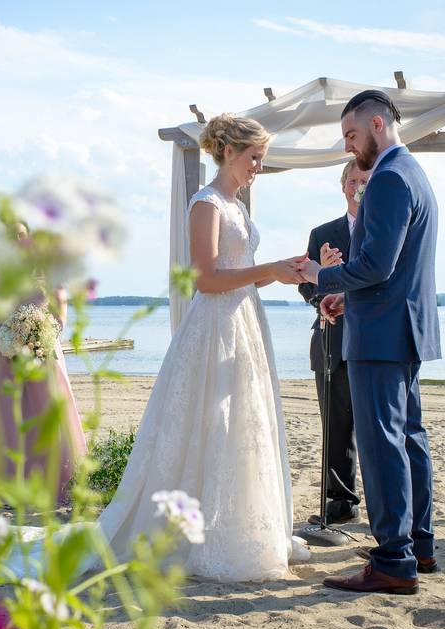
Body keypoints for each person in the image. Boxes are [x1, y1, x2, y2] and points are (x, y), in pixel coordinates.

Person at [96, 114, 309, 581]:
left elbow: (243, 268)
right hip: (214, 326)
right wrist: (267, 270)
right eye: (255, 157)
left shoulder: (237, 206)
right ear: (230, 151)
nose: (258, 166)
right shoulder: (206, 204)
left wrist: (288, 270)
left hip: (245, 323)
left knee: (243, 423)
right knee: (212, 421)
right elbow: (207, 279)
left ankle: (241, 527)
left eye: (262, 159)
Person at [300, 90, 441, 595]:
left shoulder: (386, 178)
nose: (347, 147)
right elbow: (395, 268)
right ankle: (418, 544)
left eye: (351, 135)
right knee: (408, 438)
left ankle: (392, 560)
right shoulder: (414, 174)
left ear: (378, 124)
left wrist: (323, 275)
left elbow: (376, 265)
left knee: (382, 445)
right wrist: (347, 300)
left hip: (381, 334)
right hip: (402, 325)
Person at [0, 222, 87, 502]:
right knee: (6, 420)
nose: (15, 240)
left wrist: (42, 337)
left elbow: (61, 309)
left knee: (47, 414)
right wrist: (6, 341)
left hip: (42, 352)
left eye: (20, 234)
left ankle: (57, 485)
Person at [297, 159, 369, 526]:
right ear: (343, 185)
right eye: (353, 179)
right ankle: (340, 503)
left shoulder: (385, 229)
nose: (358, 186)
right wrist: (323, 275)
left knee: (378, 427)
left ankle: (385, 502)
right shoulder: (322, 232)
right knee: (337, 428)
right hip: (333, 340)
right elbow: (306, 286)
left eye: (365, 180)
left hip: (375, 341)